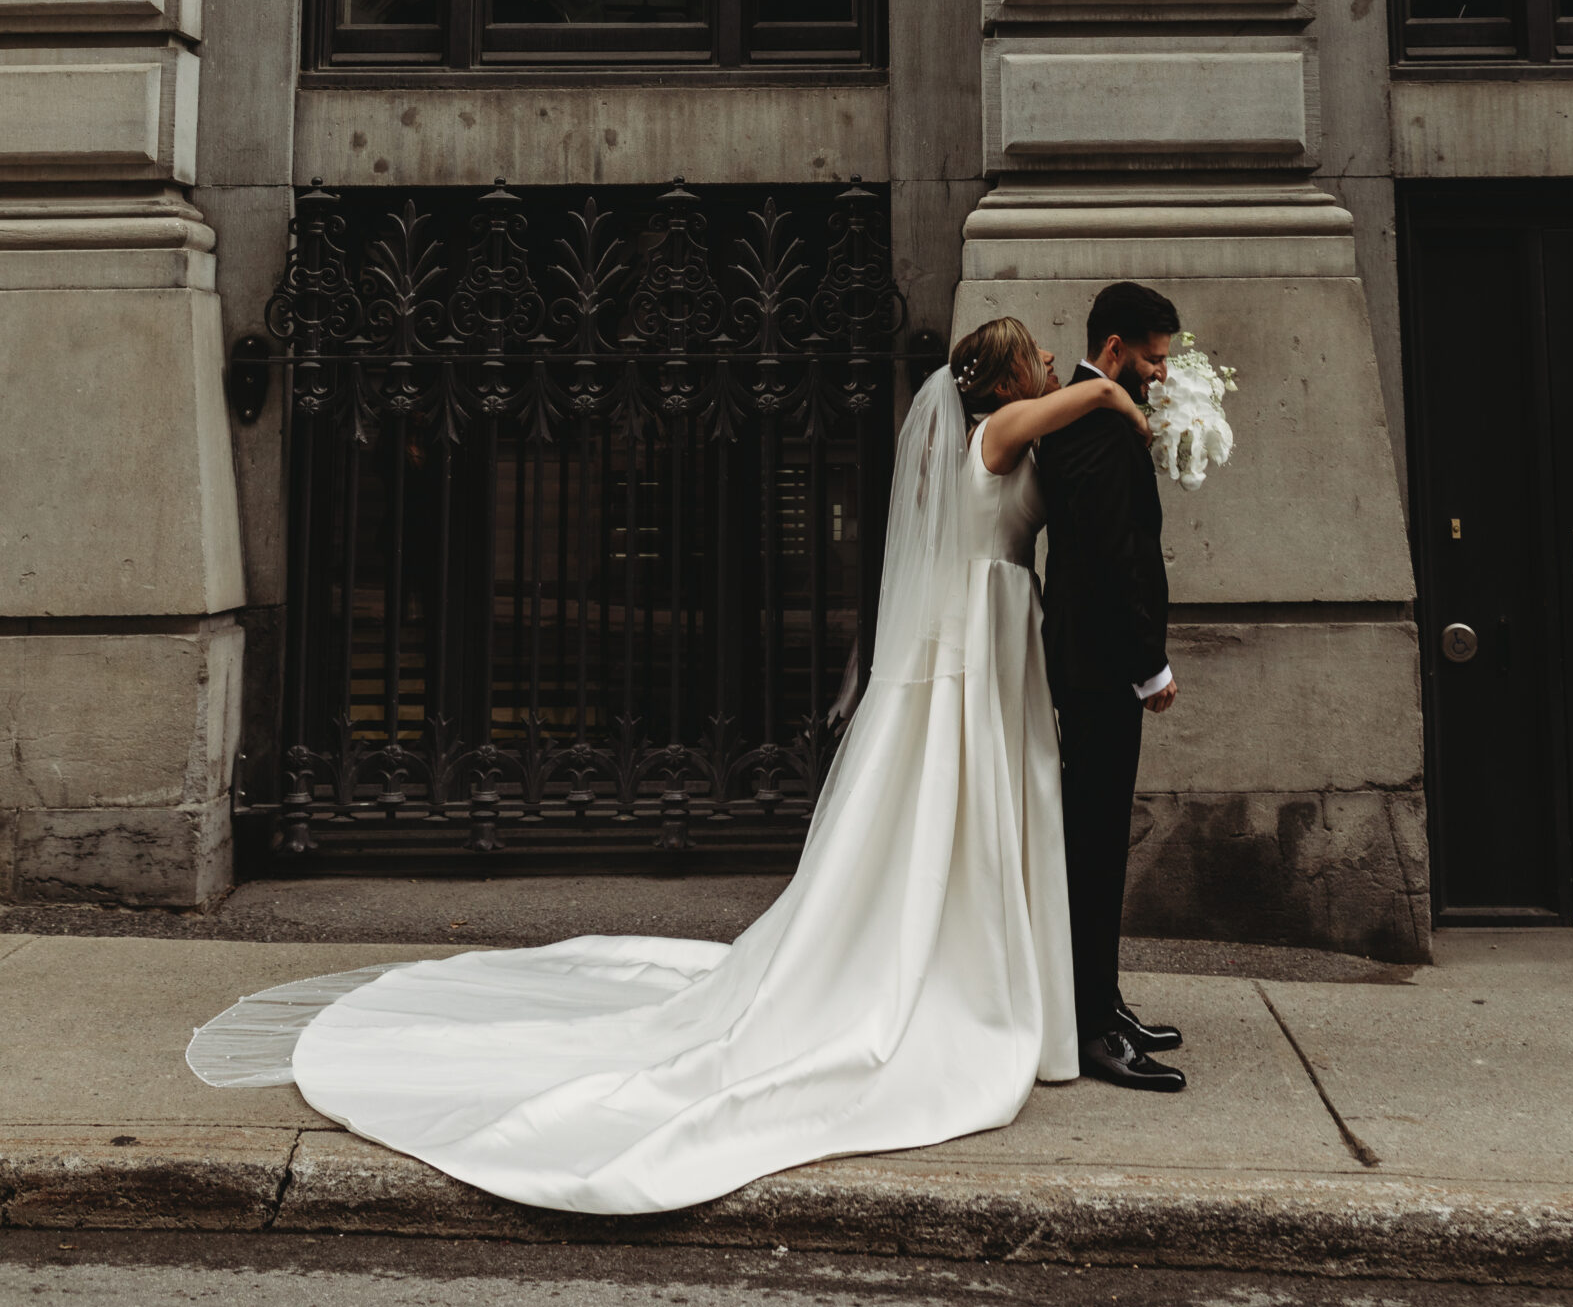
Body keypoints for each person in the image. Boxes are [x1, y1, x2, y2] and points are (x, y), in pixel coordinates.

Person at [186, 321, 1154, 1215]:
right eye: (1031, 357)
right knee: (950, 808)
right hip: (966, 653)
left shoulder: (992, 440)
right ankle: (949, 976)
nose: (1043, 369)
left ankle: (974, 962)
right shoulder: (998, 430)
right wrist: (1113, 393)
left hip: (987, 644)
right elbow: (1071, 408)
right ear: (1001, 380)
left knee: (957, 815)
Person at [1033, 280, 1187, 1094]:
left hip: (1094, 665)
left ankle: (1102, 999)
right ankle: (1091, 1027)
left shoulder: (1093, 411)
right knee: (1092, 848)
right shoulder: (1092, 421)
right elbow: (1105, 557)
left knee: (1097, 843)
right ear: (1116, 349)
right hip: (1098, 668)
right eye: (1154, 360)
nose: (1162, 376)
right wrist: (1146, 663)